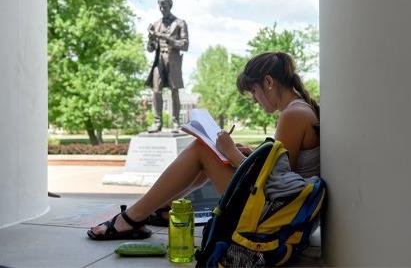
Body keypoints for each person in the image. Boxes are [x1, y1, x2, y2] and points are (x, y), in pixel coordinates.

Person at [87, 52, 320, 240]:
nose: (254, 100)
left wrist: (230, 152)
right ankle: (156, 209)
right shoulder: (299, 110)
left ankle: (132, 218)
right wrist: (245, 153)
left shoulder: (293, 115)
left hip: (276, 216)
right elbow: (280, 170)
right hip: (285, 211)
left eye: (253, 91)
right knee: (209, 152)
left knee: (201, 150)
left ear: (268, 82)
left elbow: (273, 182)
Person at [145, 0, 189, 133]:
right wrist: (151, 39)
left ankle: (175, 122)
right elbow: (150, 48)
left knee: (174, 90)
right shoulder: (156, 24)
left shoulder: (180, 23)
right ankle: (157, 122)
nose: (162, 8)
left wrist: (165, 37)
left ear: (170, 6)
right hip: (159, 61)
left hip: (173, 61)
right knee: (156, 90)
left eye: (165, 5)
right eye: (160, 6)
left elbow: (185, 45)